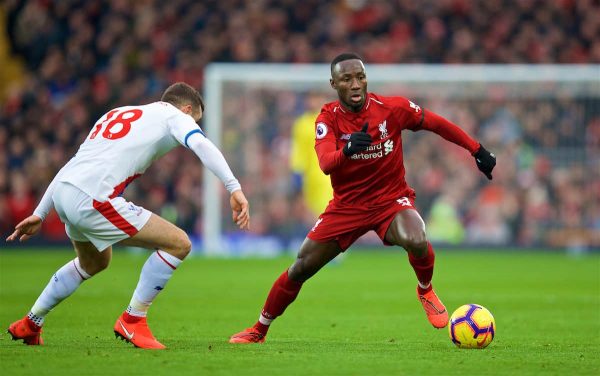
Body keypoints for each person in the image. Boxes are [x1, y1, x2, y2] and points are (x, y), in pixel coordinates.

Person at [229, 53, 496, 343]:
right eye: (347, 79)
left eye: (360, 77)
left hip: (390, 202)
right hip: (347, 208)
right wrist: (347, 151)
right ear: (334, 83)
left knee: (417, 237)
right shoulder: (327, 119)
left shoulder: (391, 108)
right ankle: (259, 329)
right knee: (300, 267)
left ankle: (426, 289)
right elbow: (325, 163)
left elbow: (435, 123)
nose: (356, 84)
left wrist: (476, 149)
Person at [6, 82, 250, 349]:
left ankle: (31, 322)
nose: (194, 124)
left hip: (65, 193)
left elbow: (72, 163)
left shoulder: (116, 113)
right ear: (187, 109)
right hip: (93, 198)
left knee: (94, 262)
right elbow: (201, 145)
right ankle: (133, 320)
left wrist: (40, 213)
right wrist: (233, 187)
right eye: (195, 119)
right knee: (179, 243)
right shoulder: (175, 116)